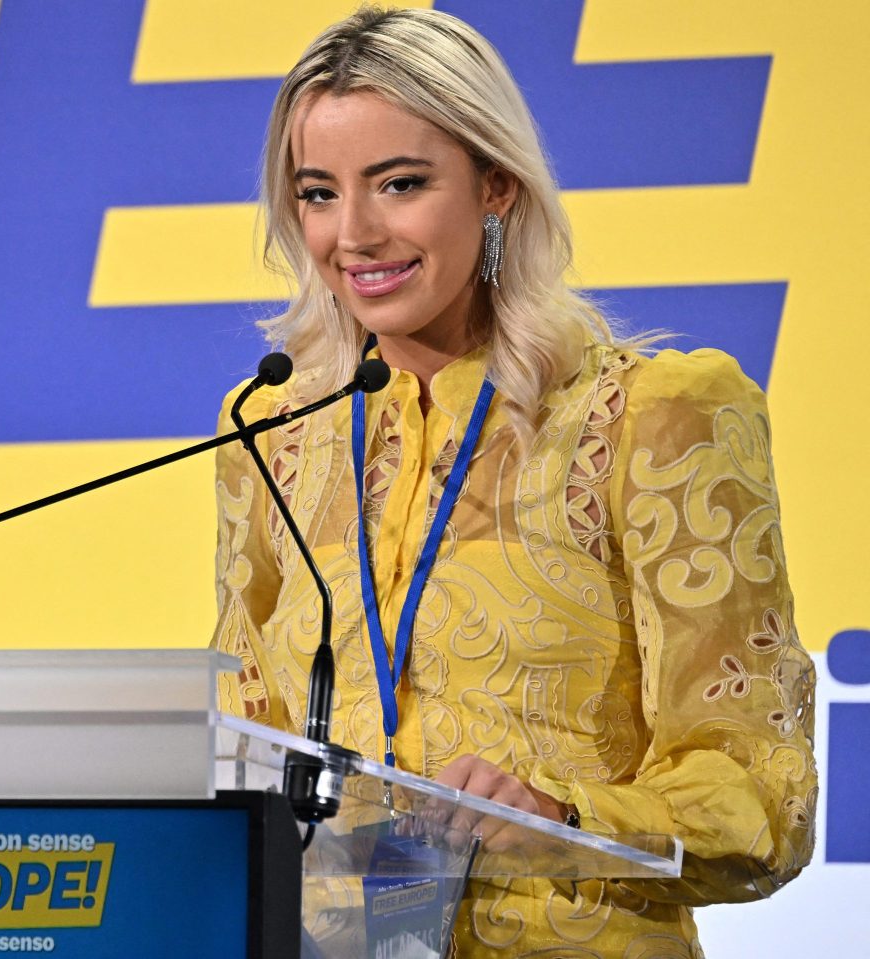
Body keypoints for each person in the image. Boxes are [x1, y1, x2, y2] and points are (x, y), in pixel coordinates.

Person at [210, 6, 816, 956]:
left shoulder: (657, 417)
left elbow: (762, 801)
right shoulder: (275, 437)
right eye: (318, 194)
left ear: (496, 183)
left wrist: (561, 814)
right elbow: (243, 754)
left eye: (399, 184)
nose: (354, 234)